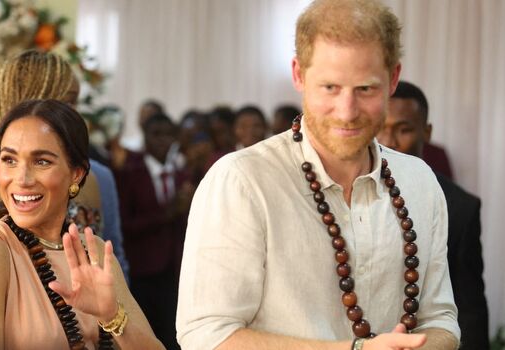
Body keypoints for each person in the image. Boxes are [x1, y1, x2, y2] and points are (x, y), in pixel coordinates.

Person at [176, 0, 460, 349]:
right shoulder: (241, 182)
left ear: (393, 80)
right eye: (330, 88)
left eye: (365, 89)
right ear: (298, 75)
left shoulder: (420, 182)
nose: (347, 111)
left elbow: (440, 319)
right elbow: (205, 335)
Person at [0, 50, 128, 349]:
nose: (76, 112)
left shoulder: (94, 180)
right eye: (68, 101)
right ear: (37, 100)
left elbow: (111, 263)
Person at [0, 99, 162, 349]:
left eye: (41, 161)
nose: (22, 179)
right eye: (9, 160)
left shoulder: (95, 252)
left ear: (76, 174)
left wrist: (111, 316)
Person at [377, 80, 489, 350]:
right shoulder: (348, 188)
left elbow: (469, 309)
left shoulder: (459, 207)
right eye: (381, 129)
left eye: (403, 129)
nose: (389, 141)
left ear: (426, 132)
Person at [116, 113, 193, 349]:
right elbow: (126, 224)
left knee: (173, 334)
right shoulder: (130, 172)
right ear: (145, 137)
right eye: (156, 135)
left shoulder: (182, 175)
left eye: (168, 135)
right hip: (142, 269)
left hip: (174, 269)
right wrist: (166, 213)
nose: (162, 141)